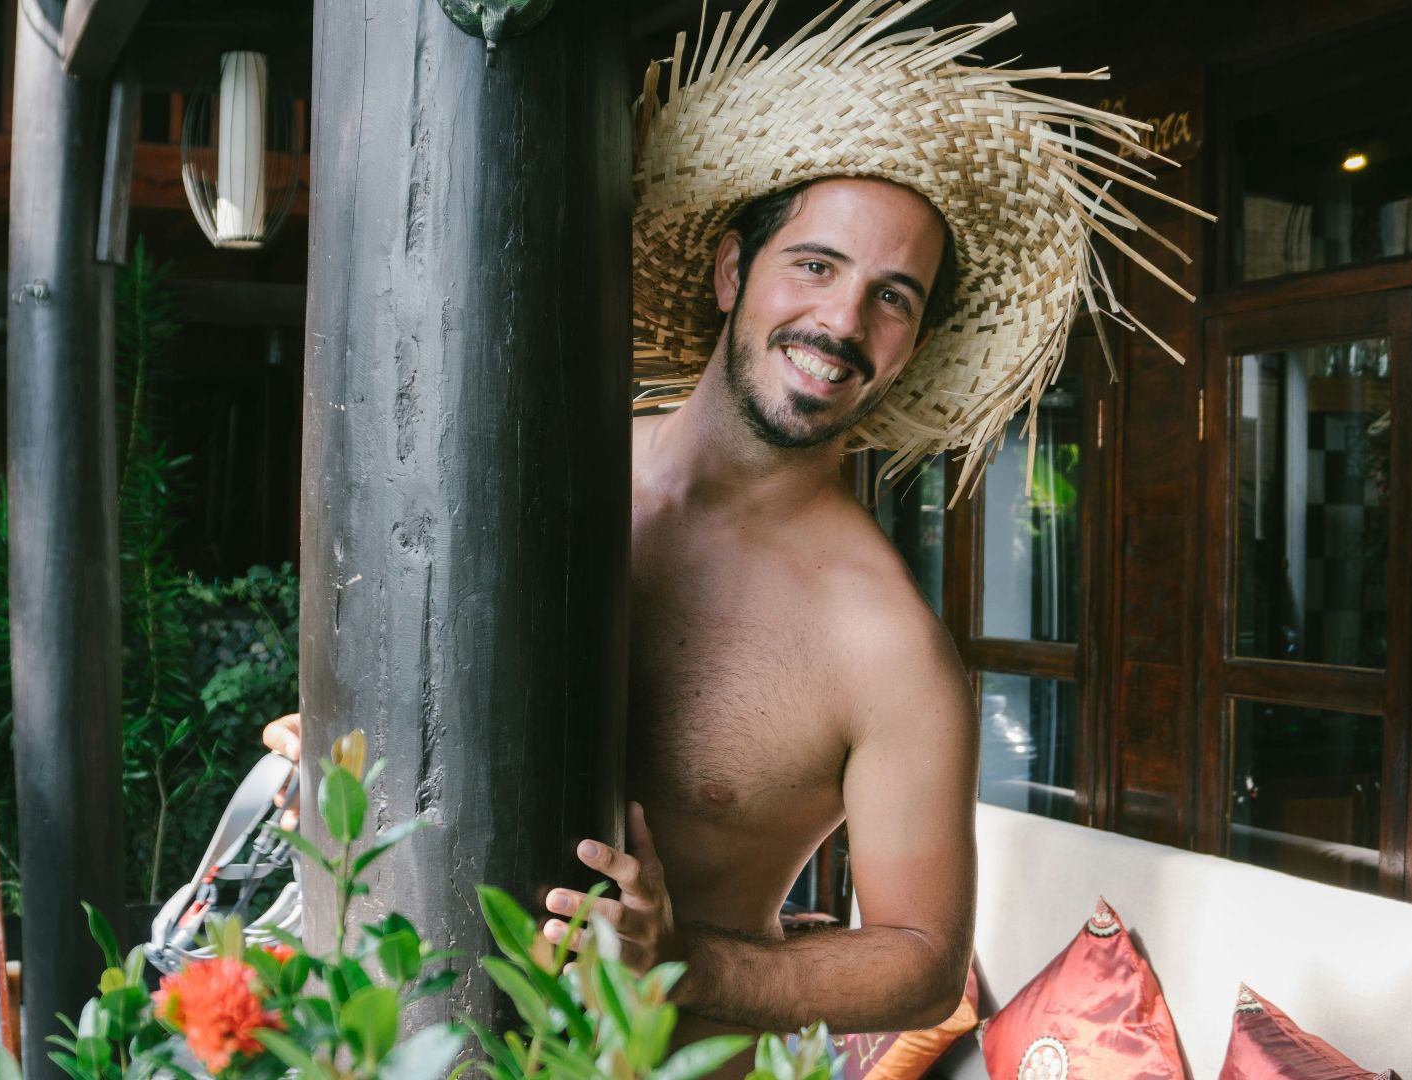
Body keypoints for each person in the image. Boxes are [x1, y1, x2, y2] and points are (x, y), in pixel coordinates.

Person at [268, 0, 1197, 1048]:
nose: (844, 322)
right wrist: (352, 772)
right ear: (729, 272)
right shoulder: (535, 467)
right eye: (815, 264)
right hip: (398, 1046)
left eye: (894, 297)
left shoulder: (884, 642)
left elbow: (926, 964)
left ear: (914, 344)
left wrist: (681, 959)